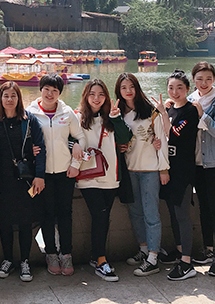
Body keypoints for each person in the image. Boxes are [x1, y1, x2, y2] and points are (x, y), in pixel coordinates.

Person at [0, 81, 46, 282]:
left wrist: (40, 175)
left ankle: (25, 261)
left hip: (26, 181)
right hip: (2, 181)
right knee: (5, 222)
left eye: (13, 96)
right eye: (6, 96)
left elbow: (40, 148)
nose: (9, 99)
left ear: (19, 98)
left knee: (25, 222)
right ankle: (8, 259)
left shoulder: (29, 121)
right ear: (0, 99)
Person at [27, 73, 85, 276]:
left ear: (60, 93)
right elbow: (24, 140)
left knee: (65, 214)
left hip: (65, 172)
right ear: (40, 89)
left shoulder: (67, 113)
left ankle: (66, 253)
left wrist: (76, 164)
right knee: (47, 214)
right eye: (47, 89)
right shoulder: (30, 113)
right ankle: (51, 253)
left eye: (55, 91)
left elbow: (80, 137)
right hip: (42, 174)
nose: (50, 94)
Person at [74, 79, 132, 282]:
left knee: (104, 217)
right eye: (92, 94)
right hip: (87, 176)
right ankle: (101, 260)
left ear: (106, 97)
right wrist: (74, 145)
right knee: (99, 215)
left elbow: (125, 139)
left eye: (100, 94)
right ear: (86, 96)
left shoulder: (112, 117)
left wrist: (117, 119)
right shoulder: (78, 117)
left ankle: (96, 256)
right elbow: (69, 139)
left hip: (110, 176)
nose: (96, 98)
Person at [115, 72, 170, 277]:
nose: (128, 91)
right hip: (130, 169)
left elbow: (162, 141)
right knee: (135, 212)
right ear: (118, 91)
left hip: (150, 170)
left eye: (131, 86)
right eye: (123, 88)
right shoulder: (118, 114)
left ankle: (153, 257)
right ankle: (144, 249)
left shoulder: (151, 112)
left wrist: (163, 169)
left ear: (137, 88)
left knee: (151, 213)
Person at [188, 61, 215, 277]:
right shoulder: (190, 100)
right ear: (193, 80)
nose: (204, 83)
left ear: (214, 79)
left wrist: (202, 116)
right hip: (196, 162)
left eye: (208, 79)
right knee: (203, 206)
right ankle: (208, 249)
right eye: (199, 79)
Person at [161, 70, 200, 281]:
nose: (175, 92)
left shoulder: (190, 111)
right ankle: (179, 251)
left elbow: (173, 133)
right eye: (171, 87)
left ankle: (187, 262)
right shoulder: (171, 109)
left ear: (187, 89)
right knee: (172, 212)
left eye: (179, 88)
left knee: (182, 214)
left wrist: (163, 115)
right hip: (169, 169)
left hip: (183, 171)